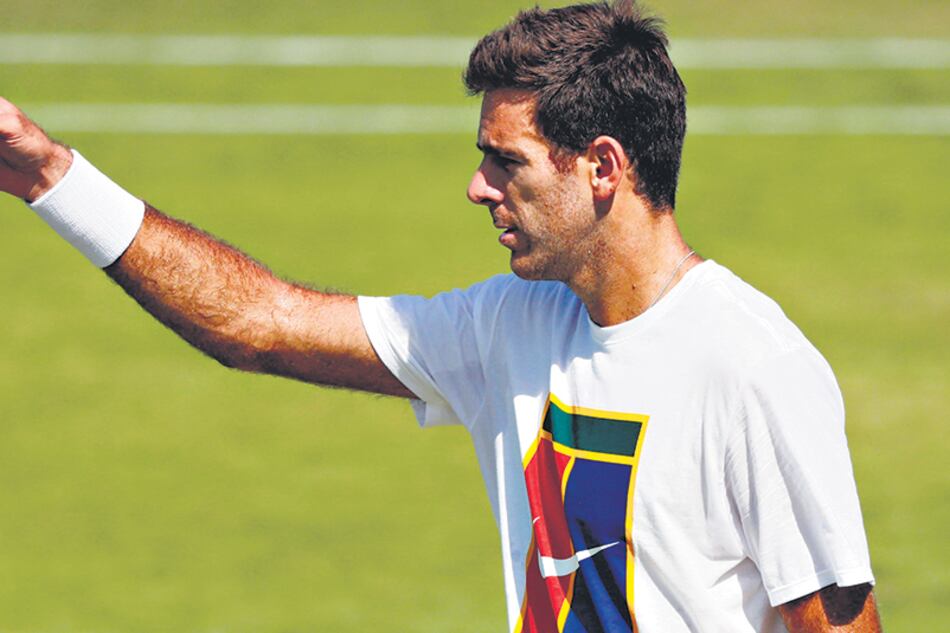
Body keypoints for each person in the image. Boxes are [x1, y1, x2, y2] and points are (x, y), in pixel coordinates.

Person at [0, 1, 882, 631]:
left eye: (508, 163)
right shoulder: (512, 324)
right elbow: (260, 322)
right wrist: (49, 178)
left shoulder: (752, 365)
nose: (478, 188)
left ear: (602, 167)